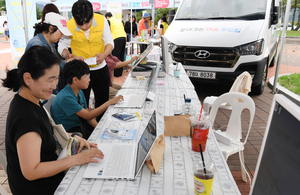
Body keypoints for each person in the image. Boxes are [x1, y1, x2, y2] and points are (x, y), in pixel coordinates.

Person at [2, 45, 104, 195]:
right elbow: (31, 171)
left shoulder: (30, 101)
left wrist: (73, 138)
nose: (54, 85)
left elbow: (45, 133)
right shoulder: (27, 117)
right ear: (28, 79)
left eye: (57, 78)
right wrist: (76, 159)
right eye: (50, 79)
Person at [58, 0, 114, 122]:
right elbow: (62, 45)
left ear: (92, 15)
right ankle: (85, 134)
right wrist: (67, 54)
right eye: (80, 24)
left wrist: (104, 54)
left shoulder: (101, 20)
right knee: (81, 105)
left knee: (102, 104)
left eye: (86, 23)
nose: (83, 26)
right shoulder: (70, 25)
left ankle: (102, 129)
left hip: (100, 68)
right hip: (81, 72)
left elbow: (109, 42)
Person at [51, 60, 123, 139]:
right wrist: (109, 103)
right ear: (75, 80)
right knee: (104, 139)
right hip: (70, 132)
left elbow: (87, 116)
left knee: (108, 132)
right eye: (87, 77)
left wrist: (99, 128)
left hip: (81, 125)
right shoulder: (65, 97)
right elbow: (88, 116)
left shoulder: (79, 91)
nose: (89, 80)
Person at [26, 12, 83, 94]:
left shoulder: (50, 44)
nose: (62, 36)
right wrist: (69, 62)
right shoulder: (38, 45)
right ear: (51, 28)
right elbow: (48, 68)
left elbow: (57, 63)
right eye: (61, 32)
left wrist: (72, 60)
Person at [105, 12, 127, 77]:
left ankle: (116, 74)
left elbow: (107, 31)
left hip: (116, 39)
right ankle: (120, 72)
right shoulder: (118, 20)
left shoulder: (109, 21)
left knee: (116, 56)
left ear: (107, 17)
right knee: (121, 56)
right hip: (123, 38)